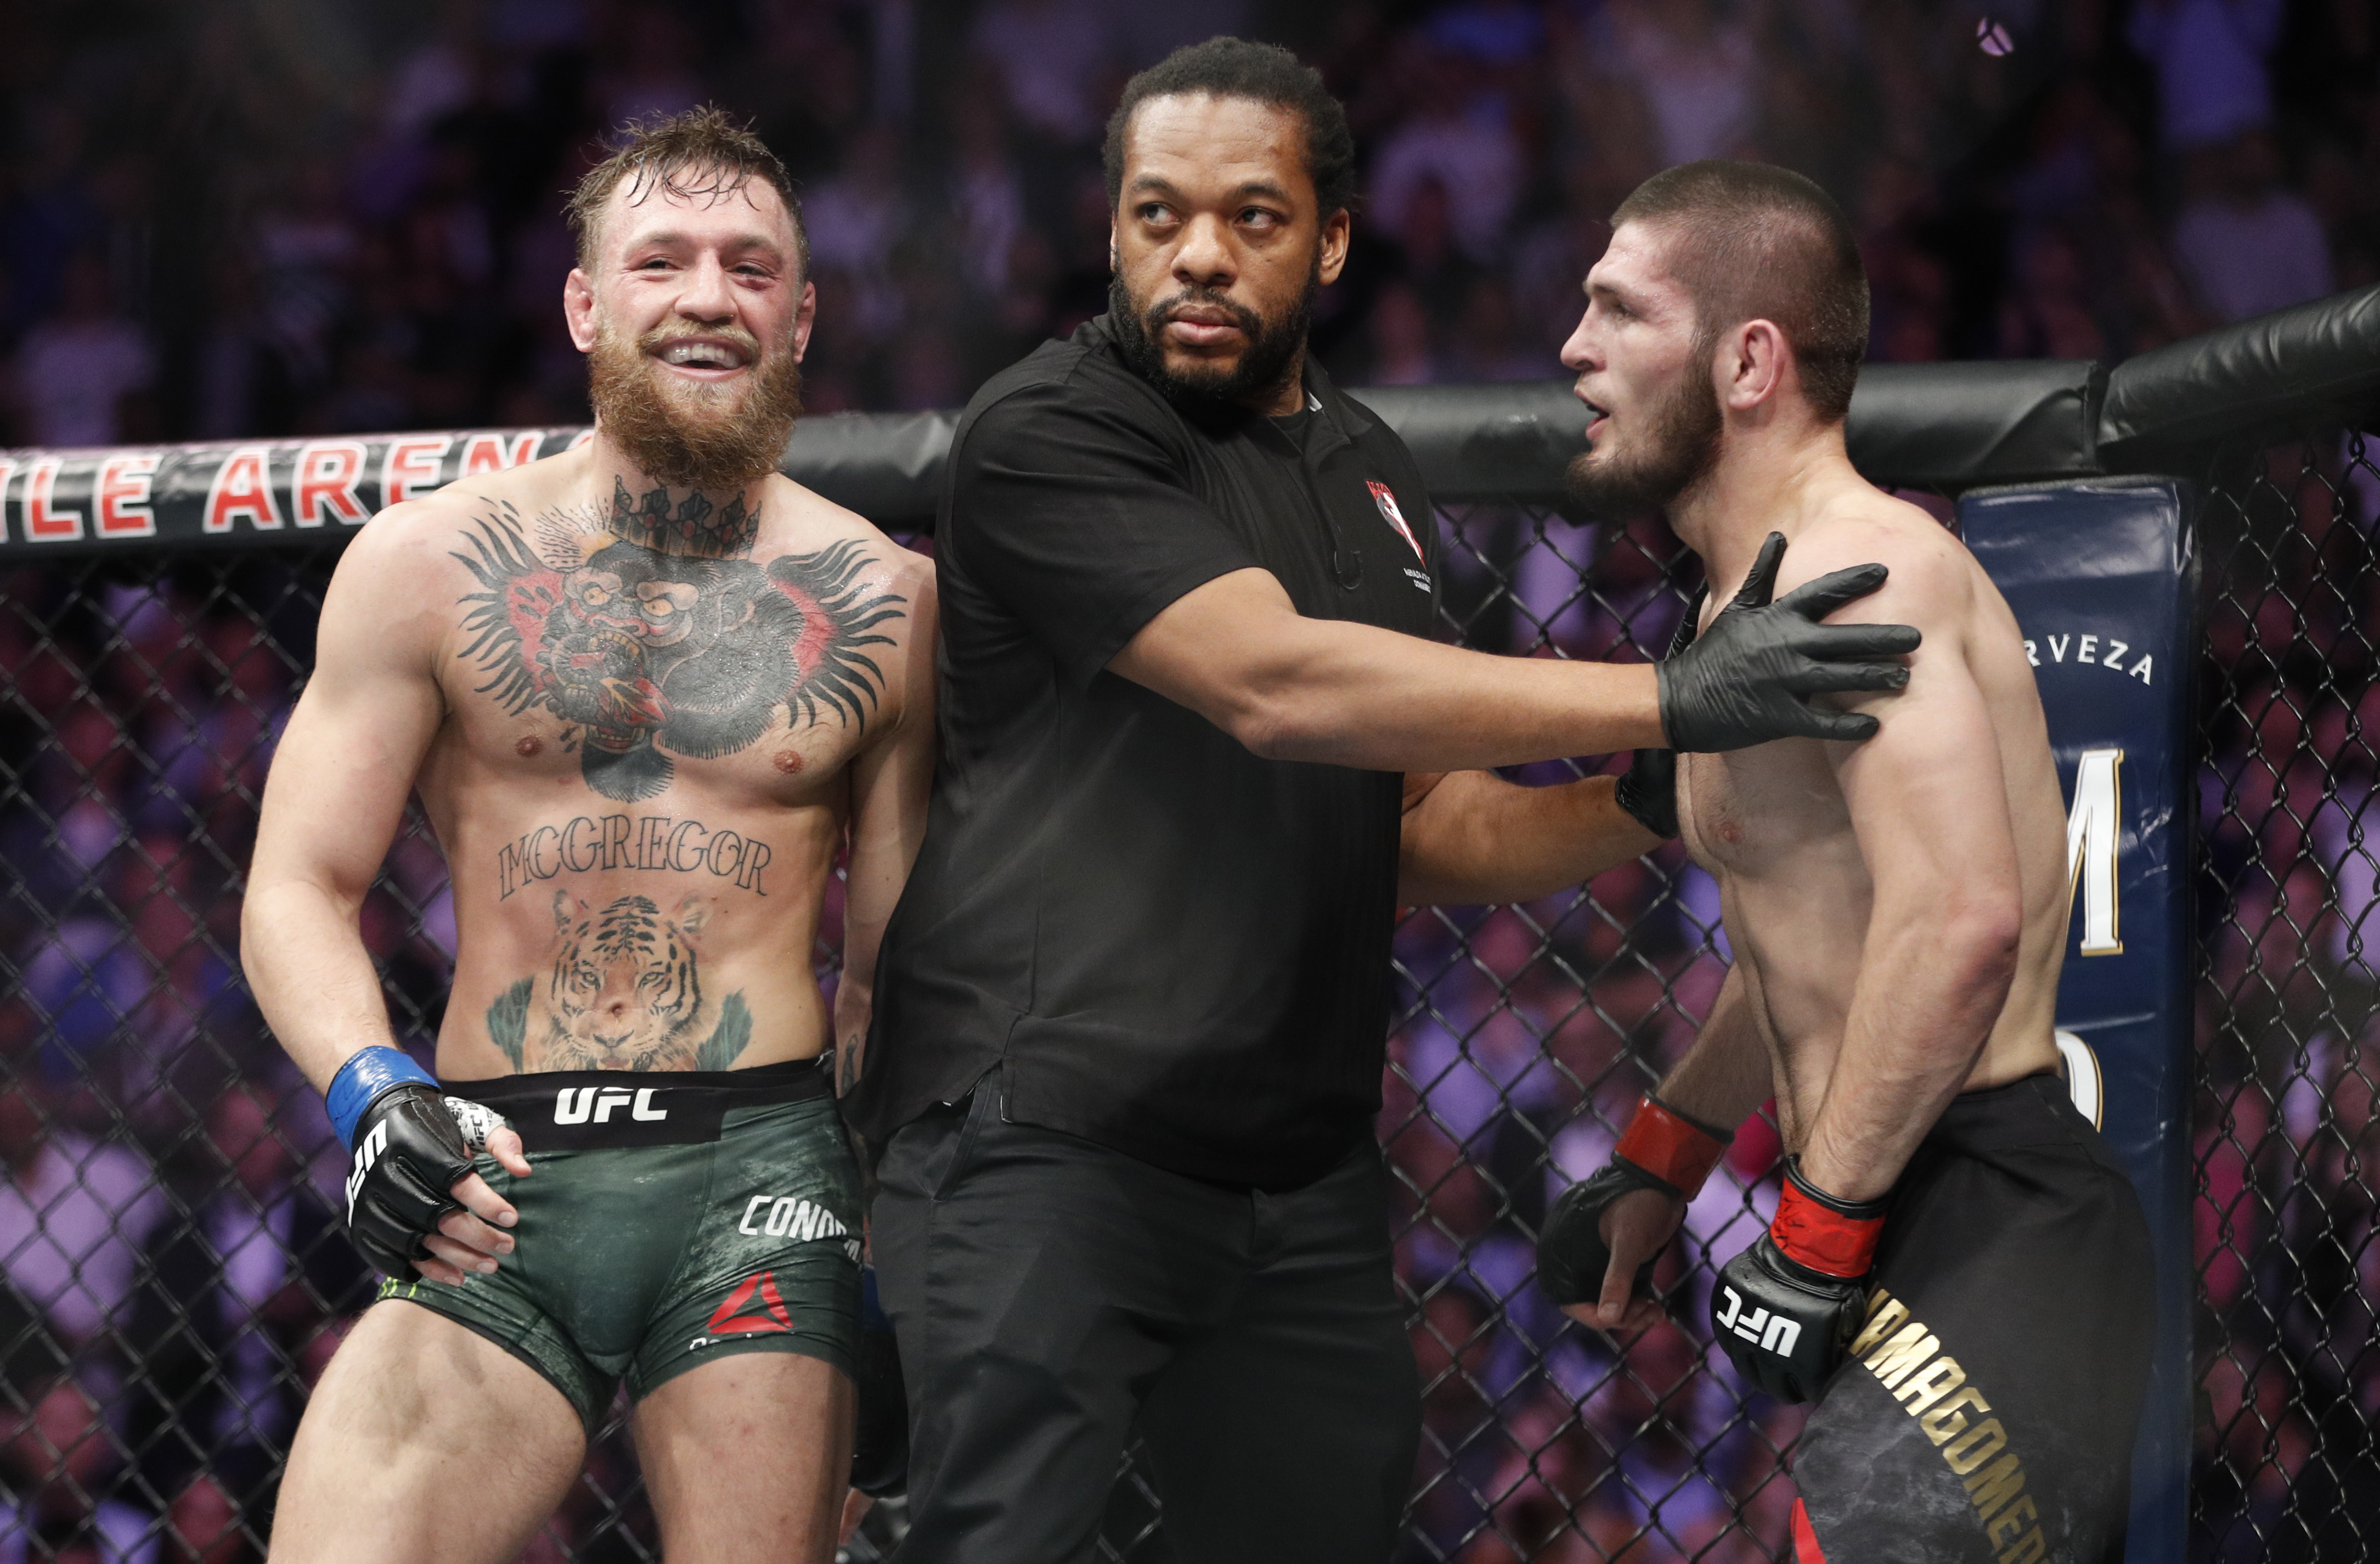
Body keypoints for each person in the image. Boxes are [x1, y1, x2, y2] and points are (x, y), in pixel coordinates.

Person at [843, 41, 1916, 1563]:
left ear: (1333, 239)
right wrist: (1675, 694)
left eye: (1251, 217)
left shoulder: (1369, 469)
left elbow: (1418, 821)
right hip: (1043, 1143)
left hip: (1296, 1179)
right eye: (1157, 215)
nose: (1197, 254)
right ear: (1113, 231)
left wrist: (1651, 792)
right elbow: (1271, 685)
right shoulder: (1050, 432)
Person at [240, 107, 937, 1564]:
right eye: (662, 261)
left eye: (751, 267)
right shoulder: (426, 564)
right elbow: (300, 882)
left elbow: (893, 978)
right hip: (495, 1172)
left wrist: (889, 1261)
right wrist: (373, 1090)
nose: (708, 297)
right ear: (583, 305)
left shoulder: (887, 601)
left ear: (803, 316)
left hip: (763, 1176)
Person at [1534, 160, 2153, 1564]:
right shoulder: (1737, 616)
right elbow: (1819, 941)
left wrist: (1816, 1228)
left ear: (1749, 361)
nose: (1574, 347)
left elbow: (1961, 921)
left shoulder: (1870, 567)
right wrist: (1666, 1153)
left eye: (1620, 310)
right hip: (1889, 1199)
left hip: (1979, 1209)